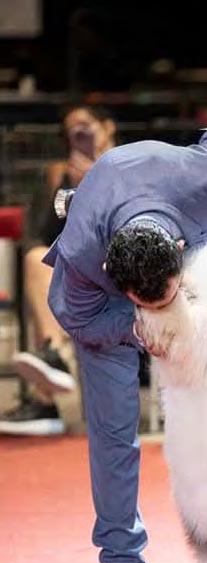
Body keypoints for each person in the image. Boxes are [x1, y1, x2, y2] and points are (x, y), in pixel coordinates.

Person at [42, 122, 207, 563]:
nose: (157, 310)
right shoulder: (81, 260)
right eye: (147, 301)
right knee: (114, 439)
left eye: (163, 299)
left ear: (180, 251)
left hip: (188, 277)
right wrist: (139, 326)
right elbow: (79, 320)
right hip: (110, 314)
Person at [0, 104, 117, 436]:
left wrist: (99, 184)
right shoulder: (61, 173)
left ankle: (46, 397)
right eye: (72, 130)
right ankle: (53, 355)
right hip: (76, 268)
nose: (79, 134)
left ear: (107, 126)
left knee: (54, 286)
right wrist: (70, 191)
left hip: (118, 266)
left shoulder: (129, 164)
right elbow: (45, 235)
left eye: (85, 125)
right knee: (36, 259)